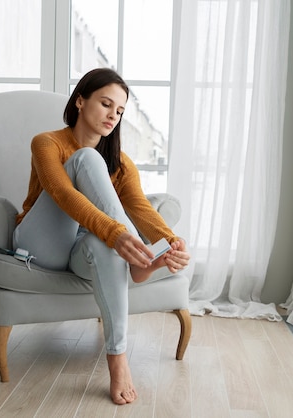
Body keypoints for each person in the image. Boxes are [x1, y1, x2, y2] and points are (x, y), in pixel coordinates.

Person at [13, 68, 190, 405]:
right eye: (106, 104)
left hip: (85, 249)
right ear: (80, 100)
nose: (113, 115)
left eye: (120, 111)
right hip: (41, 243)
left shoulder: (121, 164)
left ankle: (118, 357)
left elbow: (139, 207)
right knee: (86, 160)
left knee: (105, 244)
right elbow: (64, 196)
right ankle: (136, 257)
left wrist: (170, 240)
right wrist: (118, 233)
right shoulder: (47, 142)